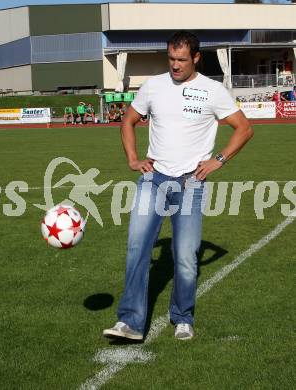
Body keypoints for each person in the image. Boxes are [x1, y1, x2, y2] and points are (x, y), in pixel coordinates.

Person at [103, 31, 253, 341]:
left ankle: (183, 317)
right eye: (171, 58)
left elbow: (244, 129)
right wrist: (133, 158)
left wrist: (218, 161)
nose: (175, 65)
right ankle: (129, 321)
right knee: (136, 250)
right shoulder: (153, 86)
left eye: (182, 59)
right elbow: (128, 119)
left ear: (196, 57)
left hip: (190, 183)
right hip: (153, 178)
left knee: (186, 256)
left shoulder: (213, 91)